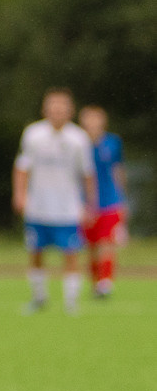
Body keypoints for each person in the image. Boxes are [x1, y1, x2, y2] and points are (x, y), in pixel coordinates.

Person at [15, 88, 97, 315]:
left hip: (68, 209)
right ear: (45, 108)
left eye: (62, 106)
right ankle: (39, 298)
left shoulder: (79, 138)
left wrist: (90, 204)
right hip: (38, 207)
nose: (57, 110)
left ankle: (71, 303)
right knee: (35, 252)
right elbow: (22, 167)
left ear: (70, 110)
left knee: (71, 254)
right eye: (53, 105)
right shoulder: (33, 134)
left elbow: (87, 174)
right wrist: (20, 194)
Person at [80, 104, 126, 300]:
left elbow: (118, 171)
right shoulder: (78, 143)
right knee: (91, 246)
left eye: (95, 118)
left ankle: (105, 283)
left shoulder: (113, 143)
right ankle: (95, 282)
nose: (92, 123)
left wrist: (122, 199)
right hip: (86, 204)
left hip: (109, 201)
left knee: (106, 243)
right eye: (88, 119)